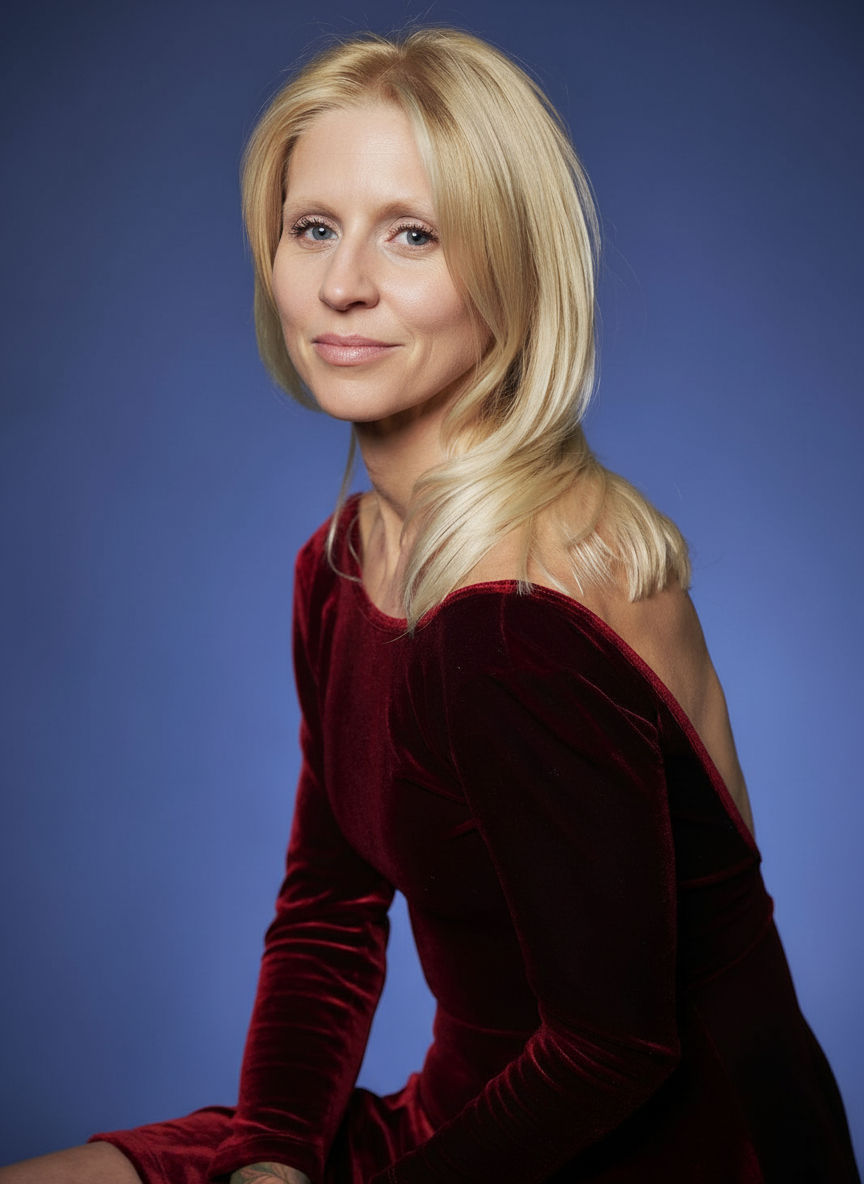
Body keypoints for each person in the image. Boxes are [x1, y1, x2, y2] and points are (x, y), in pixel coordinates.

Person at [2, 25, 858, 1184]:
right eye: (314, 227)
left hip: (667, 1155)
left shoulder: (514, 621)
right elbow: (329, 906)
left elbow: (613, 1050)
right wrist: (271, 1159)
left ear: (510, 272)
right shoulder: (341, 569)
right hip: (471, 1120)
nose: (342, 283)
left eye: (413, 233)